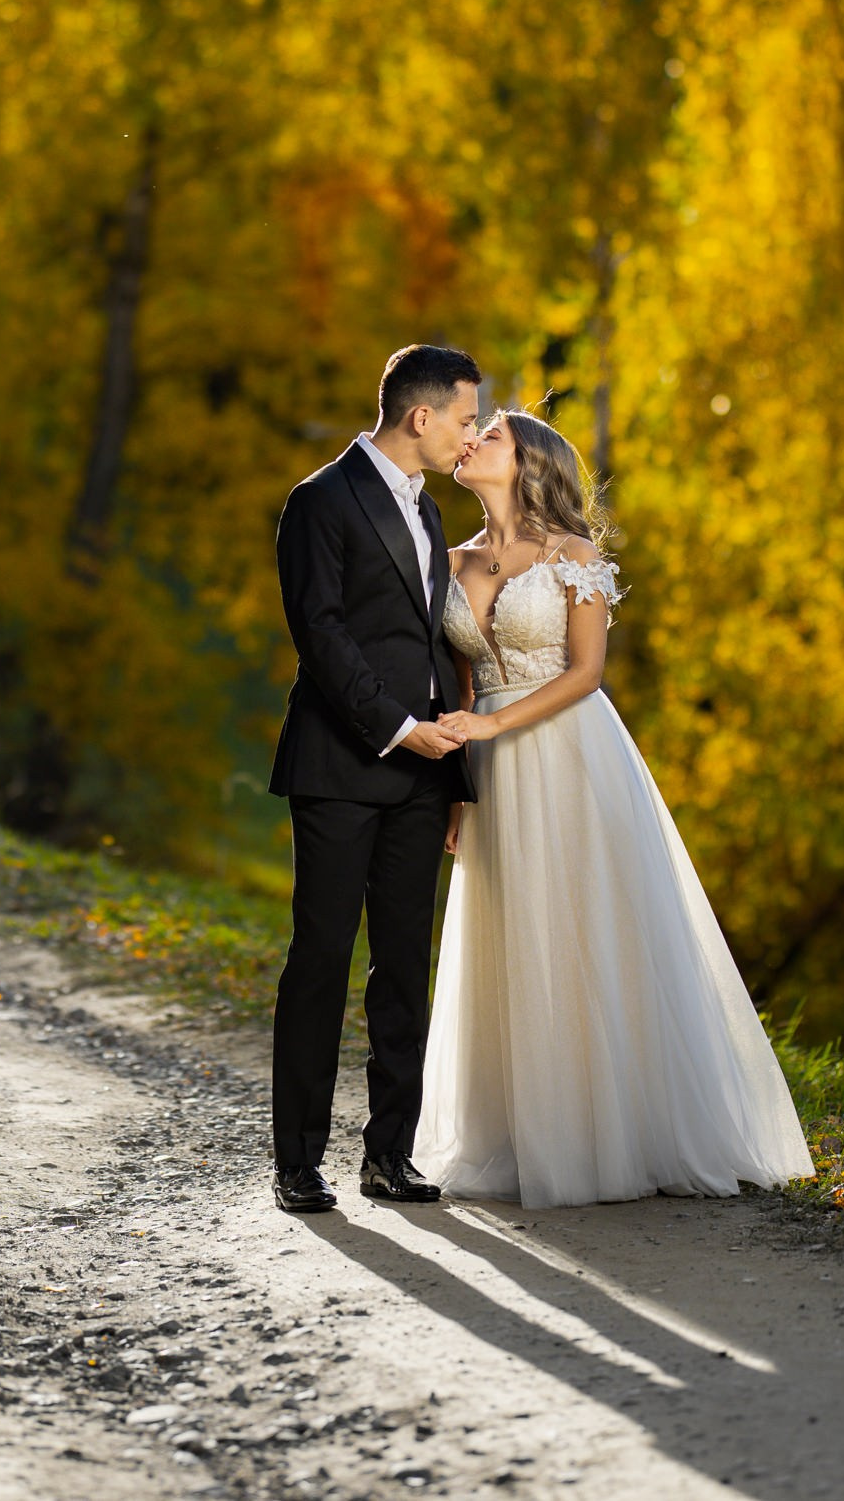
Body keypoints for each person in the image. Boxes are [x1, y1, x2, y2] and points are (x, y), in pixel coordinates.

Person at [414, 409, 813, 1206]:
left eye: (490, 434)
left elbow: (586, 672)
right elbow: (458, 677)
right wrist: (459, 783)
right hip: (489, 768)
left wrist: (493, 720)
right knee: (513, 932)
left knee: (586, 924)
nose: (470, 441)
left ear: (530, 462)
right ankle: (529, 1132)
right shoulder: (449, 559)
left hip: (570, 752)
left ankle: (620, 1129)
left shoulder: (574, 554)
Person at [266, 343, 481, 1213]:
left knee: (404, 969)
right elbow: (320, 634)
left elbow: (432, 647)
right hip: (342, 765)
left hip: (424, 780)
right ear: (420, 416)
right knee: (320, 960)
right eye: (464, 419)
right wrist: (398, 730)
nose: (469, 437)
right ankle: (297, 1162)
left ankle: (389, 1152)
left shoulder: (429, 511)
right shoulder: (319, 501)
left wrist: (454, 772)